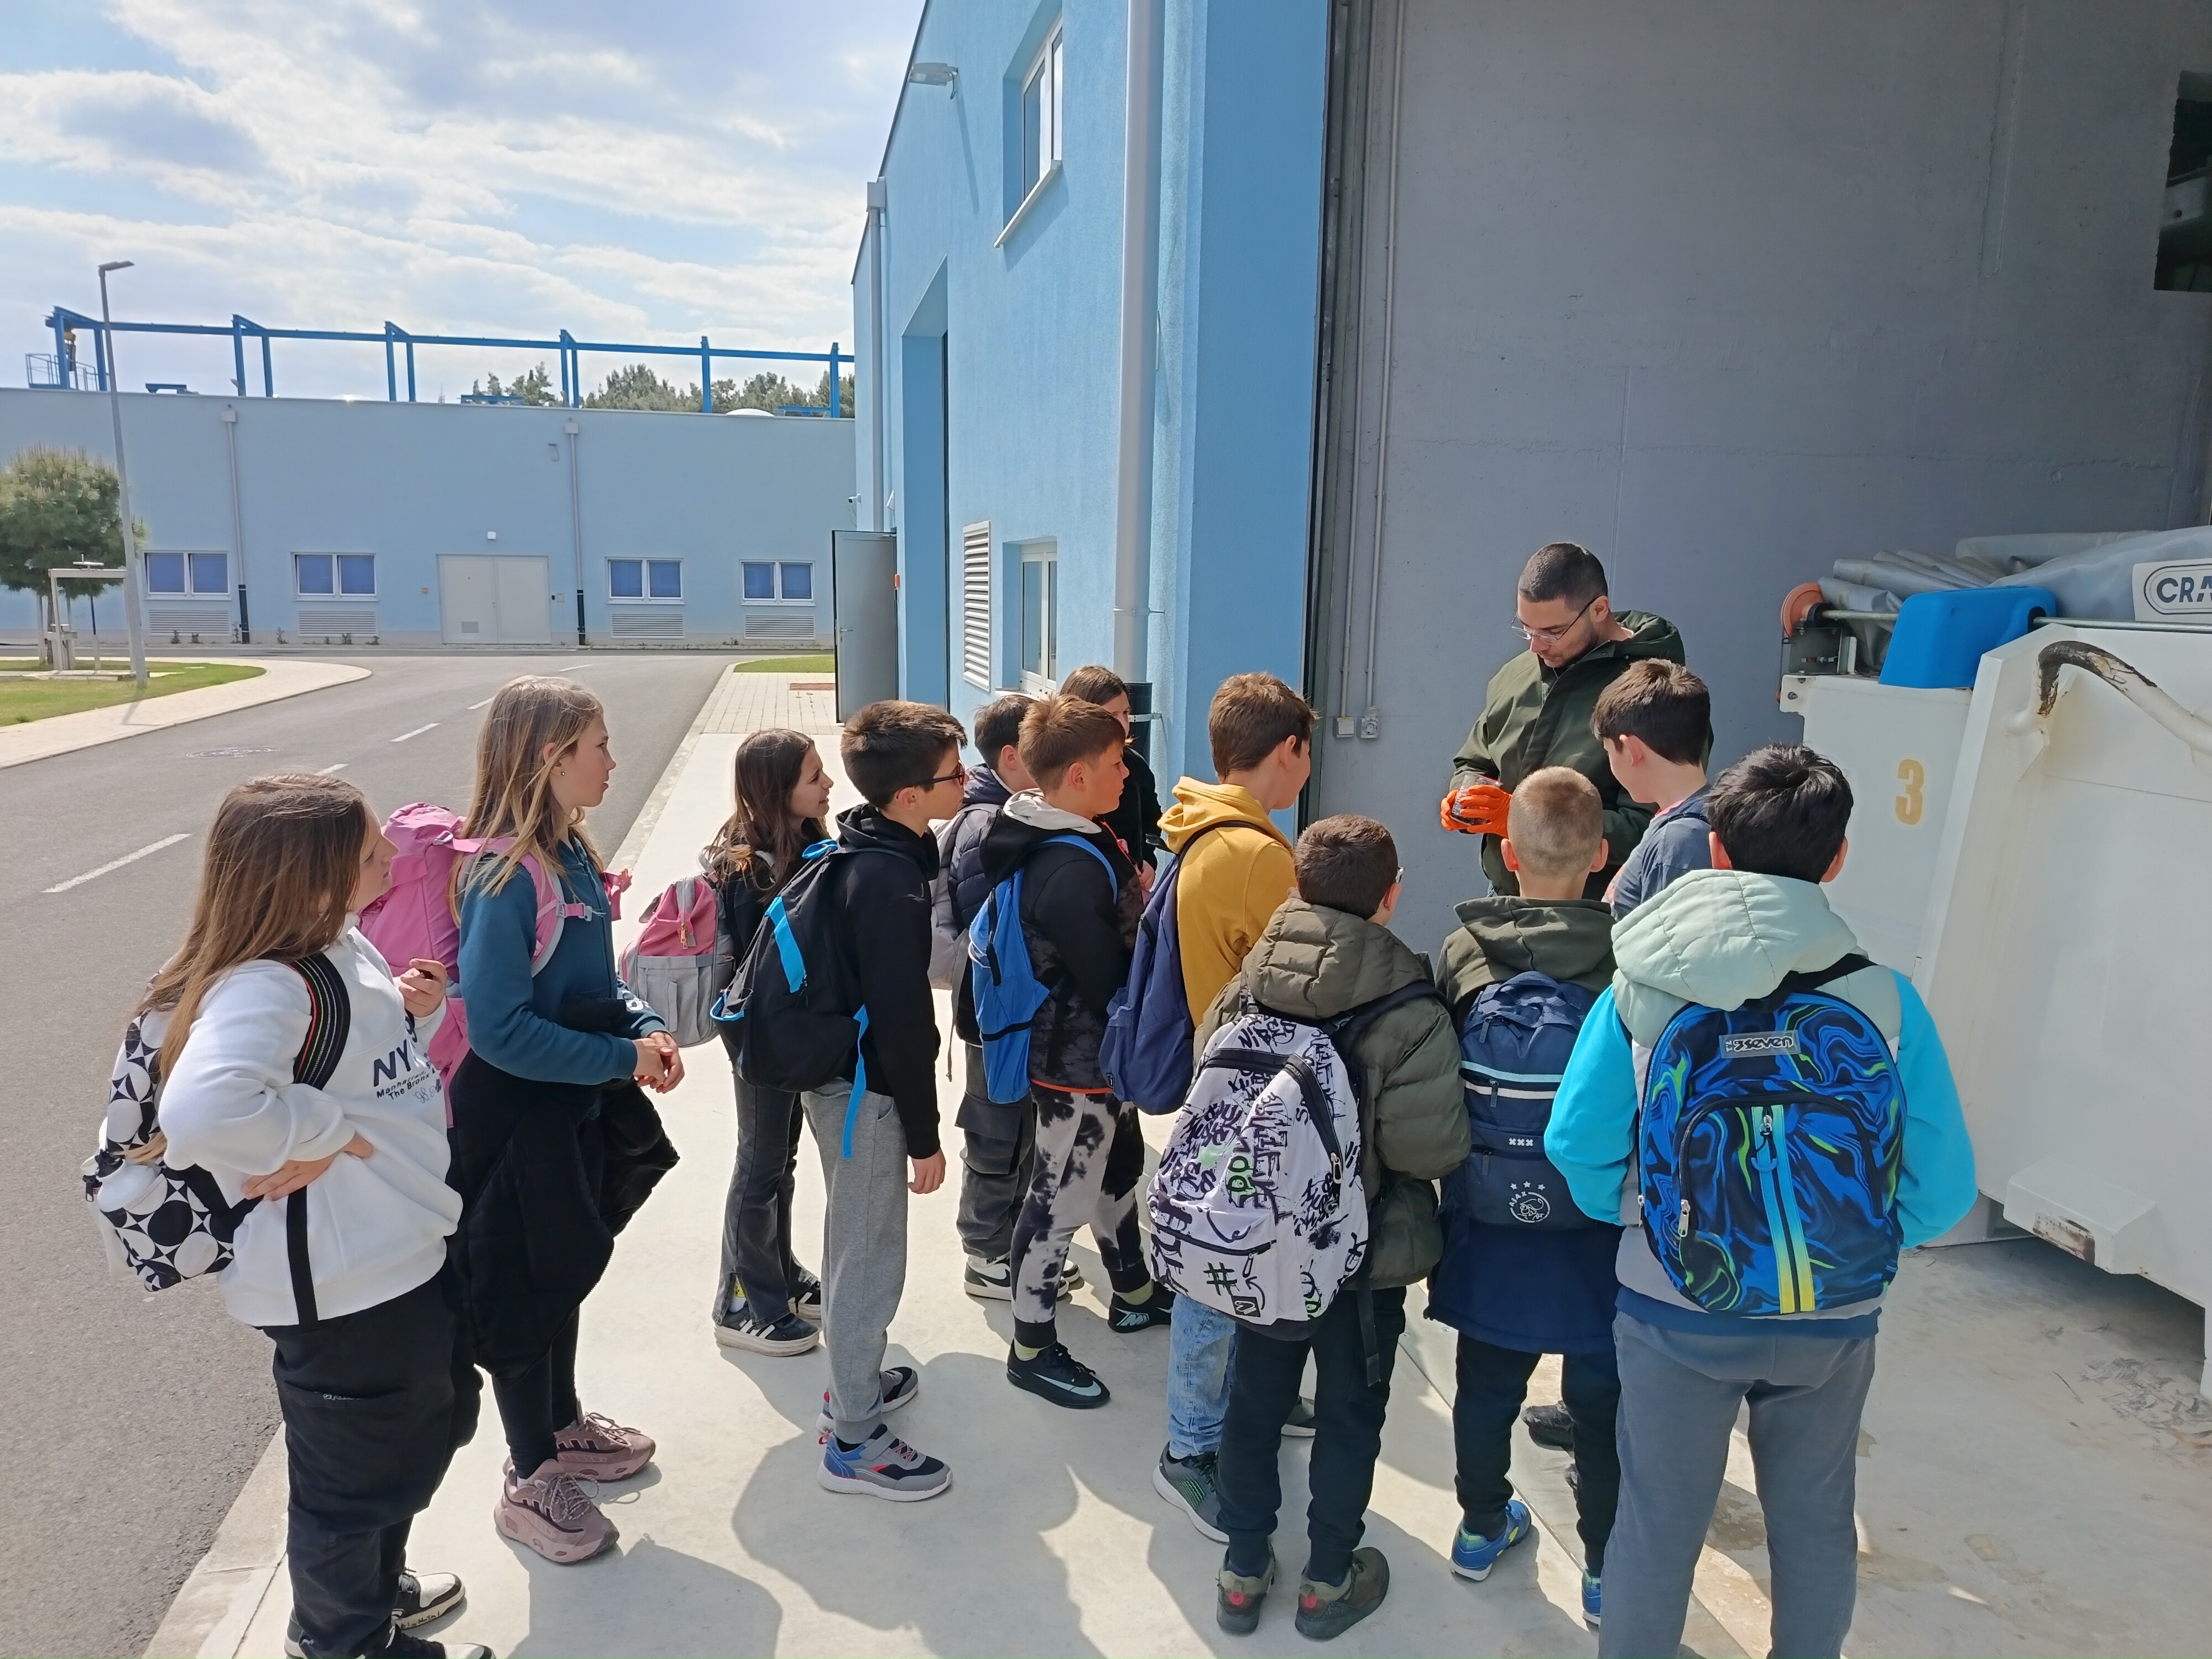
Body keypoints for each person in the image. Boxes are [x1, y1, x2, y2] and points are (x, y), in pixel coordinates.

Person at [1545, 745, 1979, 1658]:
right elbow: (1942, 1191)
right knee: (1817, 1525)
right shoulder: (1888, 1001)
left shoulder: (1642, 990)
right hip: (1835, 1310)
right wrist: (1851, 1239)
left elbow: (1577, 1144)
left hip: (1675, 1304)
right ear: (1838, 858)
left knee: (1657, 1524)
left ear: (1715, 852)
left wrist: (1645, 1220)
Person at [150, 774, 489, 1659]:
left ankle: (368, 1593)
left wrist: (414, 1019)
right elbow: (201, 1110)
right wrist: (323, 1131)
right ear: (309, 876)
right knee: (353, 1483)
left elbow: (361, 1070)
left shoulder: (343, 941)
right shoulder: (268, 986)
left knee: (422, 1432)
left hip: (395, 1253)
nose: (391, 856)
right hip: (343, 1286)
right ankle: (342, 1638)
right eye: (369, 850)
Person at [1206, 816, 1469, 1641]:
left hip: (1260, 1244)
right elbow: (1429, 1148)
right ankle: (1327, 1580)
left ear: (1296, 888)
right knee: (1351, 1416)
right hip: (1362, 1256)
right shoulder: (1411, 1004)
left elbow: (1211, 1083)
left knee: (1253, 1404)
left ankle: (1242, 1569)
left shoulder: (1250, 981)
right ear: (1391, 897)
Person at [448, 677, 679, 1564]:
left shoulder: (571, 853)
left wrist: (643, 1025)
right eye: (598, 746)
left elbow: (595, 981)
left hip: (568, 1104)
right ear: (551, 758)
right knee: (520, 1291)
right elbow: (501, 1031)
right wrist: (622, 1059)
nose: (613, 761)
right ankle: (530, 1473)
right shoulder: (504, 876)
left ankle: (561, 1420)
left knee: (565, 1271)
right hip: (514, 1121)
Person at [1431, 768, 1621, 1625]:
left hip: (1488, 1214)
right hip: (1598, 1222)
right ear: (1602, 854)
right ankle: (1606, 1571)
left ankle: (1480, 1527)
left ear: (1507, 853)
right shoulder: (1629, 961)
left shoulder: (1464, 952)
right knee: (1603, 1403)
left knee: (1485, 1385)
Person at [1152, 672, 1318, 1534]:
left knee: (1238, 1256)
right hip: (1245, 1096)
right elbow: (1302, 981)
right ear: (1287, 750)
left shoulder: (1201, 827)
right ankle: (1189, 1447)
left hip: (1215, 1080)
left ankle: (1246, 1403)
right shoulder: (1258, 855)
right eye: (1307, 754)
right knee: (1219, 1271)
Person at [980, 694, 1172, 1408]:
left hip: (1098, 1060)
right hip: (1074, 1066)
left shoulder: (1069, 836)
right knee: (1058, 1196)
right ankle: (1031, 1346)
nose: (1128, 773)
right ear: (1080, 775)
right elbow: (1105, 978)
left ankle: (1133, 1290)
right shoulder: (1068, 866)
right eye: (1118, 762)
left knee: (1116, 1173)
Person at [810, 698, 967, 1500]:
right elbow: (904, 1022)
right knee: (868, 1256)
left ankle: (855, 1382)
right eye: (953, 774)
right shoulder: (890, 881)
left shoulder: (868, 845)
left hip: (841, 1083)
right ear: (910, 796)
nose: (967, 782)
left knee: (853, 1241)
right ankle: (855, 1439)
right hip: (865, 1096)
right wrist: (924, 1134)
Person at [1441, 541, 1686, 899]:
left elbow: (1652, 826)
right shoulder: (1518, 674)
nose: (1535, 647)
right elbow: (1475, 760)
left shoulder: (1653, 692)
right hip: (1506, 892)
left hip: (1599, 907)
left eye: (1552, 632)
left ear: (1599, 609)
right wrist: (1467, 797)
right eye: (1527, 629)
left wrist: (1520, 819)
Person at [933, 691, 1076, 1303]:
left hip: (1011, 1010)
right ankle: (985, 1251)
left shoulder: (1010, 815)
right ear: (1013, 757)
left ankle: (1009, 1240)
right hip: (994, 1012)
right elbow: (989, 936)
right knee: (996, 1131)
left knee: (1018, 1126)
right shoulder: (988, 826)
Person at [701, 728, 832, 1354]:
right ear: (778, 791)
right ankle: (743, 1300)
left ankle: (778, 1270)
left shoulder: (805, 844)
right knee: (759, 1163)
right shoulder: (744, 869)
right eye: (814, 777)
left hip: (792, 1036)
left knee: (781, 1159)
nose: (828, 785)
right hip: (758, 1040)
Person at [1594, 661, 1713, 920]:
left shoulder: (1680, 841)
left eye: (1608, 751)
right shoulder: (1691, 820)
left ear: (1632, 750)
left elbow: (1667, 941)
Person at [1059, 663, 1164, 877]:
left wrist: (1147, 860)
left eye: (1126, 713)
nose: (1123, 724)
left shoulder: (1136, 766)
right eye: (1112, 715)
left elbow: (1152, 820)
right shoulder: (1056, 770)